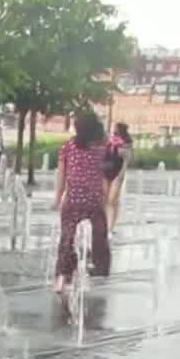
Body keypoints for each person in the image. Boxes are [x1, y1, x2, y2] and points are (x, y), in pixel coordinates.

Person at [53, 110, 111, 293]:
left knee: (67, 239)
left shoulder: (68, 147)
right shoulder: (101, 148)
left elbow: (61, 175)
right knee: (100, 237)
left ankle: (62, 277)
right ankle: (100, 271)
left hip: (73, 200)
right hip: (94, 201)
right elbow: (109, 168)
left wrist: (57, 198)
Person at [102, 121, 131, 230]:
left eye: (115, 128)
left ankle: (111, 226)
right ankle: (104, 223)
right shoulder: (107, 140)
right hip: (104, 171)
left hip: (117, 172)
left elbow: (126, 160)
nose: (113, 130)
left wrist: (122, 173)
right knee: (104, 199)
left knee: (112, 199)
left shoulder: (125, 143)